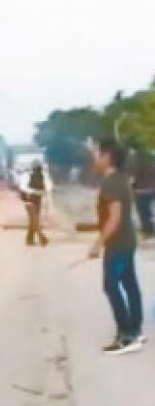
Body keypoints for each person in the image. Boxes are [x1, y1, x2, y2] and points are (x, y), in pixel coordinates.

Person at [89, 139, 144, 355]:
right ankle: (136, 330)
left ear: (108, 157)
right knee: (129, 284)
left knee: (111, 286)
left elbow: (114, 218)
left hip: (118, 243)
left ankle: (127, 335)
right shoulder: (121, 178)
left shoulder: (111, 183)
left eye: (98, 154)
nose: (95, 158)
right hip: (127, 240)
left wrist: (98, 244)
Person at [20, 161, 49, 246]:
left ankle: (29, 239)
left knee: (33, 220)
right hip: (35, 199)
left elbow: (22, 188)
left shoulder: (27, 175)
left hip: (29, 199)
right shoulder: (42, 176)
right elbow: (47, 188)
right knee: (35, 219)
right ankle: (41, 238)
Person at [130, 145, 155, 238]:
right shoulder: (151, 157)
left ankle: (148, 230)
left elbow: (132, 174)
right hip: (152, 188)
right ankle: (149, 229)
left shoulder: (135, 159)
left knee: (144, 212)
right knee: (148, 210)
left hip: (141, 190)